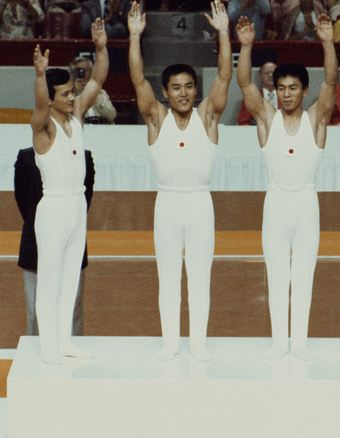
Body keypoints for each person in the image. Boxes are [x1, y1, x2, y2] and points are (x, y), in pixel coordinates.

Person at [128, 0, 232, 362]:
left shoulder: (208, 118)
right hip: (168, 204)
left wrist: (223, 33)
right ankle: (170, 342)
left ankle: (198, 342)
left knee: (200, 276)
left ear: (196, 90)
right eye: (176, 87)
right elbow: (138, 78)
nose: (184, 92)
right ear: (165, 92)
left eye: (189, 86)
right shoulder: (156, 118)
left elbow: (224, 77)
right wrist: (135, 37)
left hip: (200, 203)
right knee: (169, 277)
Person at [236, 13, 337, 360]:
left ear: (305, 90)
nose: (287, 94)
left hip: (306, 202)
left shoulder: (316, 120)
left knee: (304, 275)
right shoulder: (267, 119)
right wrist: (246, 47)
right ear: (274, 91)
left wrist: (327, 42)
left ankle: (300, 343)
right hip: (276, 202)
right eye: (281, 88)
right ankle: (280, 342)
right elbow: (246, 85)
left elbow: (332, 84)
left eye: (294, 88)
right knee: (277, 274)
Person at [29, 18, 107, 364]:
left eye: (72, 91)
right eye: (65, 93)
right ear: (51, 98)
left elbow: (98, 78)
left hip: (77, 207)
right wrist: (39, 74)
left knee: (70, 279)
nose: (73, 96)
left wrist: (102, 48)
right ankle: (47, 347)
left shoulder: (76, 117)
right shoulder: (42, 129)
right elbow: (39, 105)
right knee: (49, 279)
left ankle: (64, 342)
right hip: (54, 209)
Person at [14, 147, 93, 338]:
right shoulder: (26, 157)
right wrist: (41, 224)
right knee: (35, 311)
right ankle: (35, 356)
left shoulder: (83, 157)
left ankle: (73, 353)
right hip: (35, 243)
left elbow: (85, 198)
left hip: (72, 239)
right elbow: (23, 199)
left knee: (73, 308)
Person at [69, 56, 117, 124]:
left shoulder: (100, 93)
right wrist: (77, 92)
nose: (83, 73)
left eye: (86, 70)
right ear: (73, 74)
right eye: (79, 70)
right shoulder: (67, 94)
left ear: (91, 72)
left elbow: (112, 116)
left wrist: (93, 93)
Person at [238, 61, 279, 126]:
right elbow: (244, 122)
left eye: (273, 73)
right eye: (266, 73)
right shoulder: (251, 97)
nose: (270, 75)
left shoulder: (287, 96)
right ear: (260, 77)